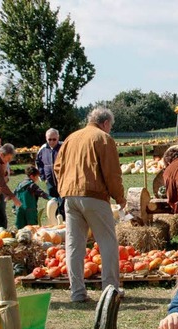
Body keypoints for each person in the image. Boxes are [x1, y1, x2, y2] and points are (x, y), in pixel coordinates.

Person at [54, 107, 126, 302]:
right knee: (107, 242)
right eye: (110, 126)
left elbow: (57, 167)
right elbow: (112, 173)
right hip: (94, 195)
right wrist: (119, 198)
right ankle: (110, 290)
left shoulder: (70, 138)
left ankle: (77, 292)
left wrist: (64, 188)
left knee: (74, 245)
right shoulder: (103, 138)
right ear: (104, 123)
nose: (110, 129)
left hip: (70, 197)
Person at [36, 128, 65, 219]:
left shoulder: (64, 146)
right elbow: (38, 162)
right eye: (49, 139)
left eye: (54, 139)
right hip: (49, 180)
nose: (52, 141)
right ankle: (55, 218)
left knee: (63, 199)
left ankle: (64, 218)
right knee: (53, 200)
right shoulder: (43, 149)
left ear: (58, 137)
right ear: (46, 138)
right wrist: (42, 176)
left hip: (63, 180)